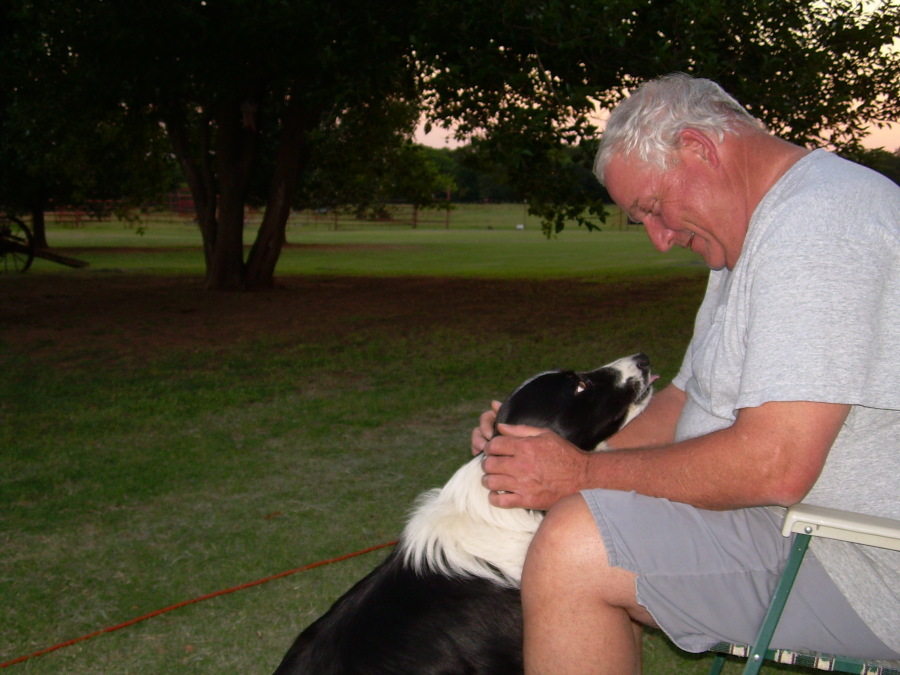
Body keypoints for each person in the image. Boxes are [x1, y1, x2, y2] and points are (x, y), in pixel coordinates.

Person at [471, 73, 900, 674]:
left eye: (653, 208)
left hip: (864, 565)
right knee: (582, 519)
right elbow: (684, 405)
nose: (660, 239)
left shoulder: (820, 228)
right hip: (793, 534)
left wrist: (584, 474)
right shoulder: (754, 235)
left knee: (577, 545)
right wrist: (542, 458)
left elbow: (776, 464)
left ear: (700, 147)